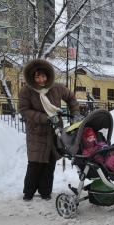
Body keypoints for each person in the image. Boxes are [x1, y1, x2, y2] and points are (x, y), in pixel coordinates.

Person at [18, 59, 81, 201]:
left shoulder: (56, 88)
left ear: (48, 75)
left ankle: (45, 192)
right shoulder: (26, 91)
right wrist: (45, 118)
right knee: (35, 163)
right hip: (36, 132)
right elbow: (24, 110)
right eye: (37, 77)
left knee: (50, 163)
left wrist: (75, 114)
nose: (41, 80)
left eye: (43, 76)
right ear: (32, 78)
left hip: (54, 132)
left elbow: (71, 98)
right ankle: (28, 193)